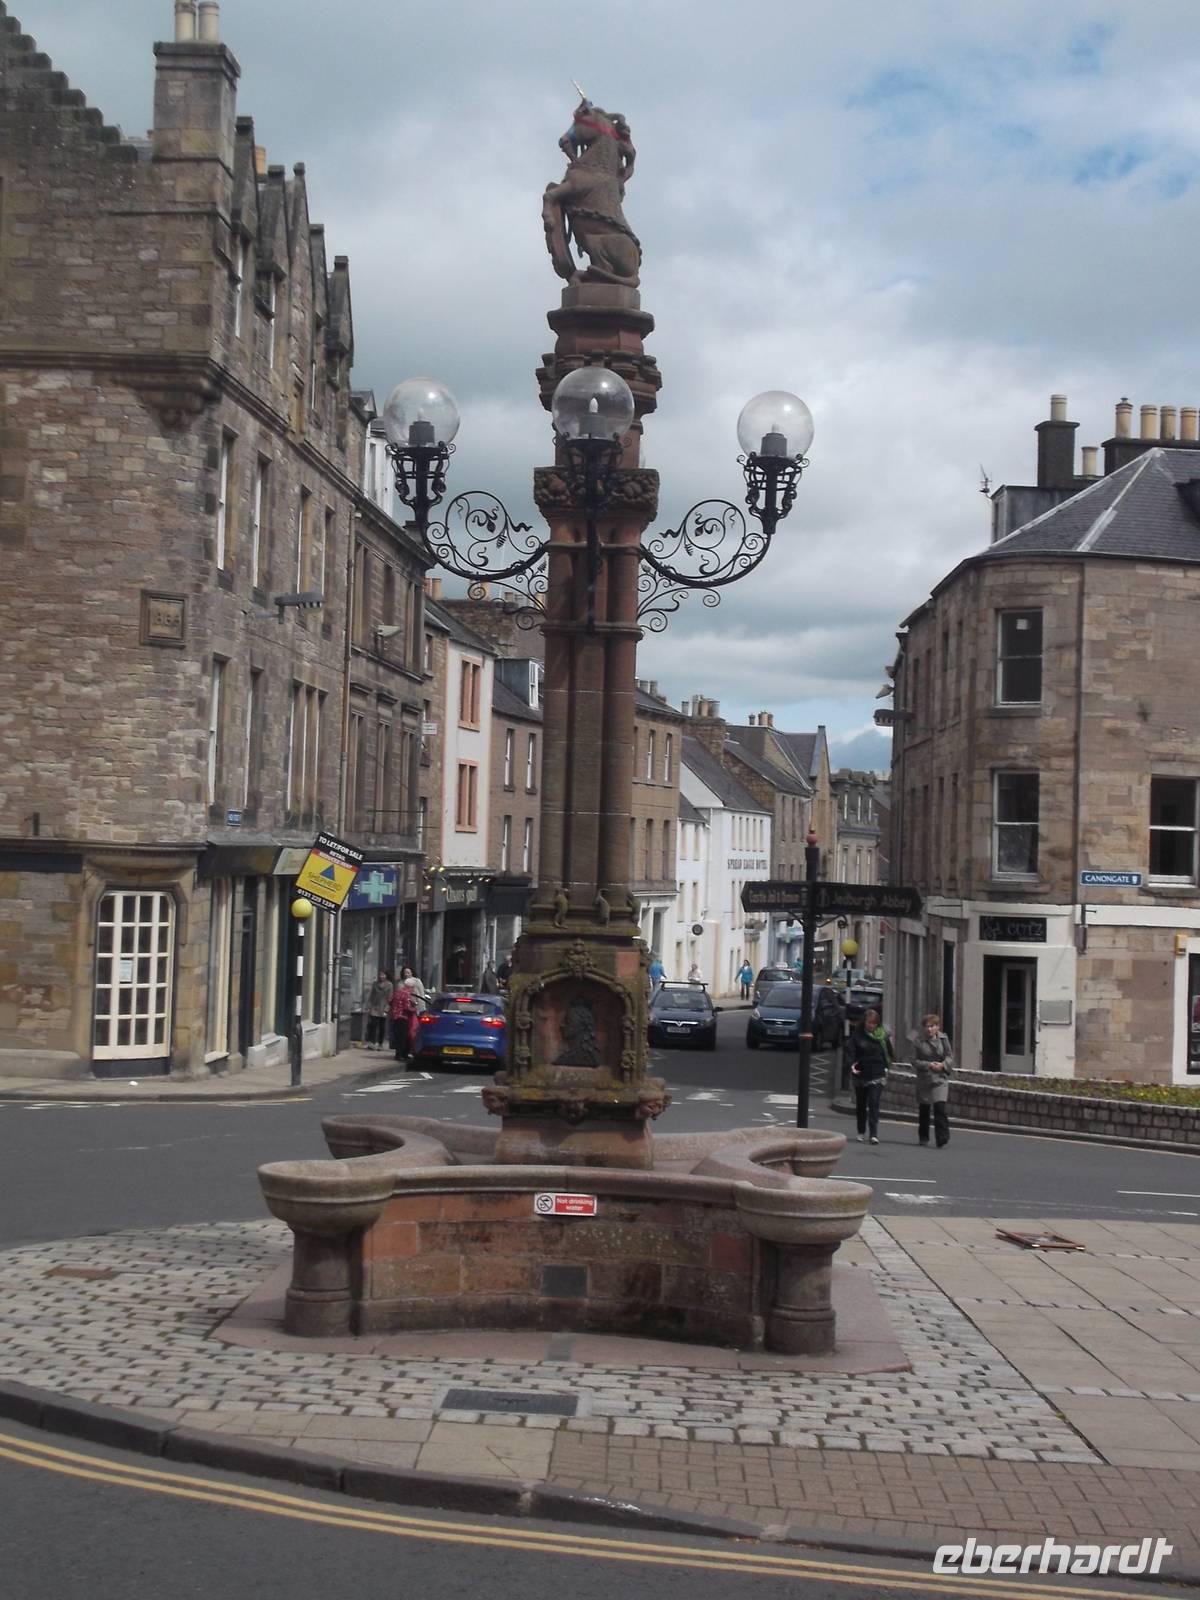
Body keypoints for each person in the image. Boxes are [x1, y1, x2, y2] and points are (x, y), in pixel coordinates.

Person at [846, 1005, 892, 1144]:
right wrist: (852, 1065)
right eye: (869, 1023)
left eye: (874, 1023)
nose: (872, 1025)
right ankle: (861, 1131)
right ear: (864, 1022)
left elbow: (889, 1053)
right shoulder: (857, 1036)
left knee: (874, 1102)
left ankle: (873, 1134)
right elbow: (851, 1052)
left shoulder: (882, 1036)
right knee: (861, 1104)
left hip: (877, 1074)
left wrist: (887, 1066)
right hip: (861, 1074)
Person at [912, 1012, 954, 1148]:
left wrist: (943, 1065)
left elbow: (950, 1056)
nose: (929, 1029)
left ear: (937, 1027)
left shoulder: (943, 1039)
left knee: (940, 1108)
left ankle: (942, 1137)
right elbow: (914, 1060)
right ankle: (923, 1137)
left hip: (940, 1078)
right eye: (927, 1026)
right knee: (924, 1109)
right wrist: (928, 1065)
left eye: (932, 1026)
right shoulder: (918, 1041)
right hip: (925, 1078)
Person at [388, 980, 419, 1064]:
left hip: (395, 1016)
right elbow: (407, 1007)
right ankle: (401, 1055)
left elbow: (390, 1001)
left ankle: (399, 1054)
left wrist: (395, 1007)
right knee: (403, 1037)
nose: (413, 989)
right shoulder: (407, 994)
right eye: (413, 987)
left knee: (398, 1036)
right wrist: (414, 1009)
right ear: (410, 987)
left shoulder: (397, 992)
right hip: (403, 1017)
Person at [364, 968, 393, 1051]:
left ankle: (380, 1043)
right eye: (380, 975)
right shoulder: (375, 984)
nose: (381, 976)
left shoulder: (389, 985)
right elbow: (371, 996)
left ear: (386, 975)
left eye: (383, 975)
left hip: (383, 1007)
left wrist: (386, 1009)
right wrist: (368, 1006)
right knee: (373, 1025)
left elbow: (390, 998)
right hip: (375, 1007)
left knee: (382, 1026)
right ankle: (372, 1043)